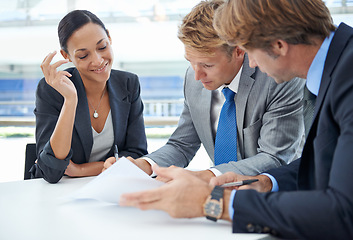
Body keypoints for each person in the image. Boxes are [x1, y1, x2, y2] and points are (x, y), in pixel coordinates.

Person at [119, 0, 353, 239]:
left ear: (279, 45)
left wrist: (214, 202)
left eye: (250, 51)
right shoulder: (338, 69)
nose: (251, 63)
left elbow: (343, 212)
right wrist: (267, 181)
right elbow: (323, 164)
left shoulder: (345, 80)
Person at [104, 0, 305, 181]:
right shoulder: (193, 79)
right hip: (218, 192)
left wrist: (203, 176)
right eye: (191, 62)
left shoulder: (277, 78)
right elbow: (181, 145)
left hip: (276, 196)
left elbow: (274, 158)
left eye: (207, 65)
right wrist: (144, 166)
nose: (197, 75)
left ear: (238, 51)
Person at [31, 10, 148, 183]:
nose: (98, 60)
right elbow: (51, 170)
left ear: (109, 38)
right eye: (83, 55)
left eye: (102, 47)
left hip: (108, 186)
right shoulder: (51, 89)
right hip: (57, 192)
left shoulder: (128, 83)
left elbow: (137, 155)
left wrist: (80, 170)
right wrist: (70, 101)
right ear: (66, 56)